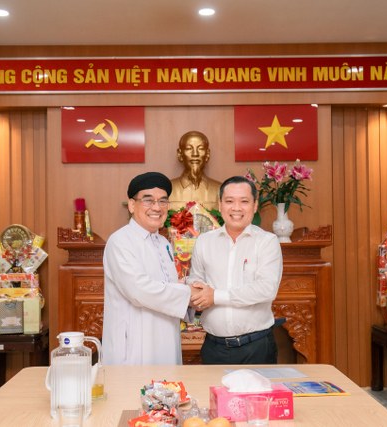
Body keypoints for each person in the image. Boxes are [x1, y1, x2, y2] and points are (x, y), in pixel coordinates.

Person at [102, 171, 197, 365]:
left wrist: (189, 288)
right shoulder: (120, 241)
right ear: (131, 205)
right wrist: (189, 294)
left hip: (166, 339)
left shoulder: (164, 243)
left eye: (163, 201)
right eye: (148, 200)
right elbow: (139, 290)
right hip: (134, 347)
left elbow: (165, 284)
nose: (157, 207)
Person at [187, 176, 283, 364]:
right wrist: (195, 292)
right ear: (220, 205)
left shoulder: (267, 242)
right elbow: (194, 278)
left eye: (244, 201)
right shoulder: (204, 241)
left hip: (256, 347)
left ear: (255, 206)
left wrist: (215, 296)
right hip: (213, 347)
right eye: (229, 201)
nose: (236, 208)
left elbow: (266, 289)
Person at [169, 131, 221, 211]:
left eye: (200, 148)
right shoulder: (167, 189)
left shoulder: (220, 189)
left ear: (207, 154)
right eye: (189, 148)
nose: (195, 154)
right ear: (180, 154)